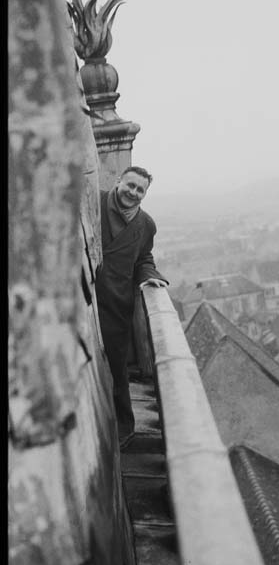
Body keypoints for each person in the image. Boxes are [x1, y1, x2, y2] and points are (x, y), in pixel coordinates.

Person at [95, 166, 168, 450]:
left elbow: (144, 258)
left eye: (140, 190)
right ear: (118, 181)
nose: (133, 192)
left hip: (116, 304)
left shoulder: (145, 225)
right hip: (86, 298)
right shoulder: (94, 203)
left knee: (117, 368)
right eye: (130, 185)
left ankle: (125, 428)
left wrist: (151, 276)